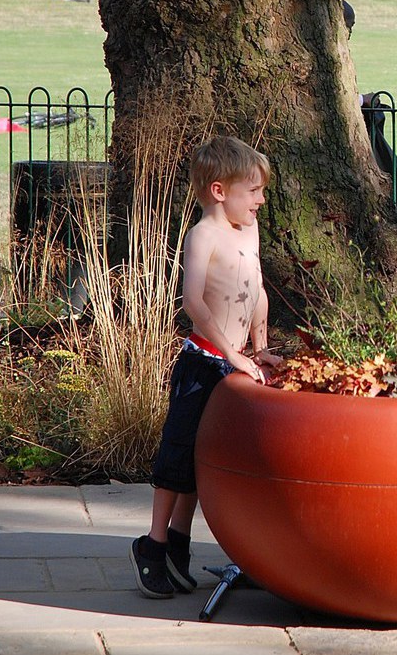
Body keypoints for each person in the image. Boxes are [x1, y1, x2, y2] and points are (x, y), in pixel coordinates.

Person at [130, 135, 279, 599]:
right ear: (219, 191)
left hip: (235, 364)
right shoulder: (203, 236)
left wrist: (259, 347)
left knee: (202, 459)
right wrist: (231, 353)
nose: (260, 200)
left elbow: (256, 290)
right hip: (203, 363)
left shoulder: (248, 231)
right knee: (177, 454)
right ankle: (153, 545)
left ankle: (179, 540)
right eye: (252, 191)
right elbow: (193, 301)